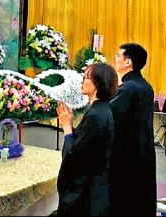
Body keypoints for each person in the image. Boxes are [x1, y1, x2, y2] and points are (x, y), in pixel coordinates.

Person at [56, 62, 117, 216]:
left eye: (86, 77)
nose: (82, 81)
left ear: (98, 83)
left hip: (88, 197)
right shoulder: (100, 110)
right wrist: (70, 124)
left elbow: (74, 158)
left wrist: (67, 127)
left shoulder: (97, 115)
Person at [108, 42, 156, 216]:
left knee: (124, 200)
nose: (115, 59)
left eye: (118, 56)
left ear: (128, 62)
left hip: (126, 155)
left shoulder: (127, 89)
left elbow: (110, 119)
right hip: (143, 151)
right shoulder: (145, 86)